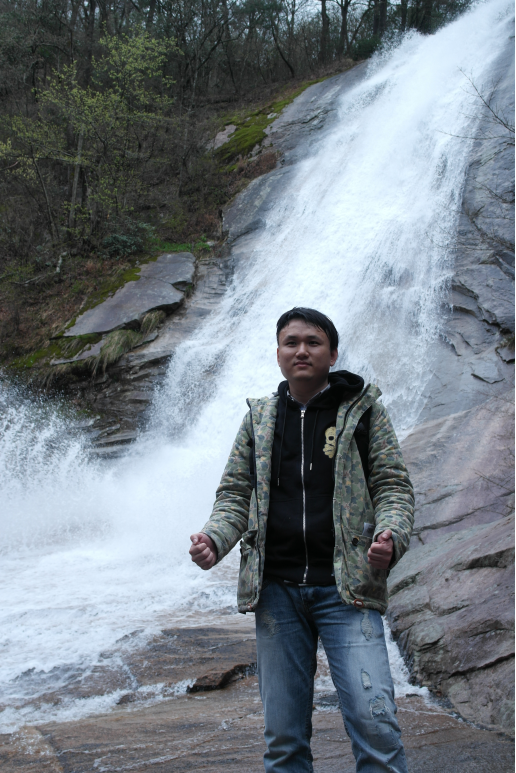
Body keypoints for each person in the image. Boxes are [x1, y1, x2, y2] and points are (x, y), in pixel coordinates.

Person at [189, 307, 415, 773]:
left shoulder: (364, 411)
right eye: (291, 342)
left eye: (313, 342)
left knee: (376, 725)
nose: (301, 350)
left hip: (347, 590)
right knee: (284, 740)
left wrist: (391, 534)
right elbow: (235, 494)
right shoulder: (260, 419)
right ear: (278, 354)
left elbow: (392, 485)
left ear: (332, 354)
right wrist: (215, 538)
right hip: (276, 591)